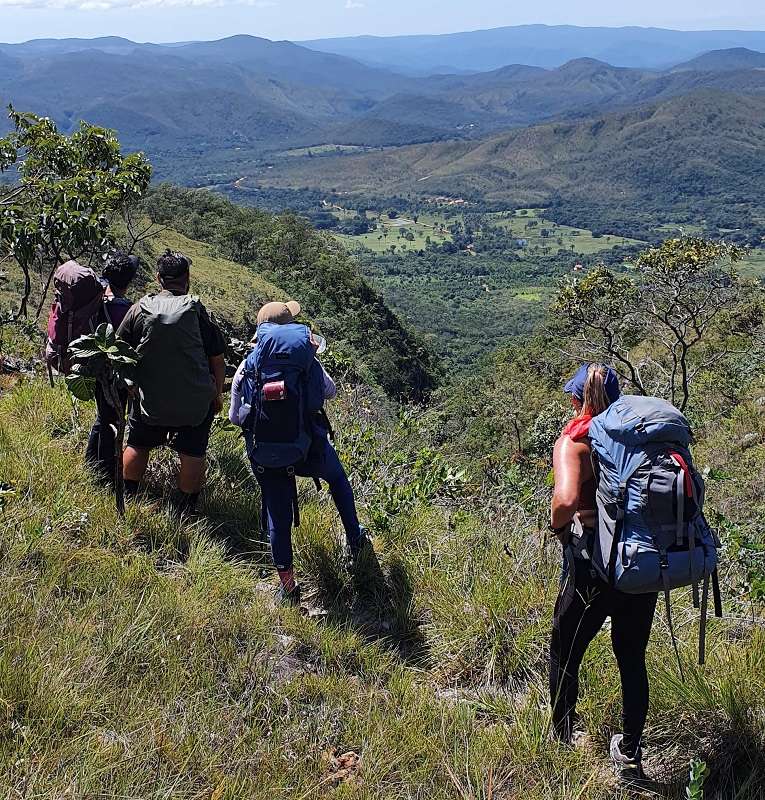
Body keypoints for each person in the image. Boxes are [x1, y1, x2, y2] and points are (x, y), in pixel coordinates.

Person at [549, 363, 657, 783]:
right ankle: (630, 752)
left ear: (578, 399)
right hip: (638, 564)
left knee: (565, 649)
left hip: (591, 566)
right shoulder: (639, 439)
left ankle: (561, 739)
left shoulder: (575, 440)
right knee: (631, 656)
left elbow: (565, 500)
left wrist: (559, 528)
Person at [229, 300, 368, 606]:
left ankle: (288, 587)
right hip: (307, 448)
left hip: (266, 453)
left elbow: (235, 418)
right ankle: (355, 539)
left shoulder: (249, 365)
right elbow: (329, 391)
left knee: (277, 516)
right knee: (337, 478)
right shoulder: (306, 359)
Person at [117, 250, 226, 514]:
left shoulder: (139, 309)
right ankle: (185, 510)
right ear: (187, 278)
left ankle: (129, 497)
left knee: (138, 444)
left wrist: (129, 382)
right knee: (192, 452)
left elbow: (118, 350)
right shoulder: (198, 311)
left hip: (149, 399)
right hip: (194, 400)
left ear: (158, 278)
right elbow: (218, 359)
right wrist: (217, 394)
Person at [85, 251, 139, 483]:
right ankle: (105, 475)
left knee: (103, 416)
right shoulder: (127, 309)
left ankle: (91, 463)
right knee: (113, 420)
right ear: (128, 282)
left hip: (96, 367)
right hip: (117, 372)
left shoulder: (95, 302)